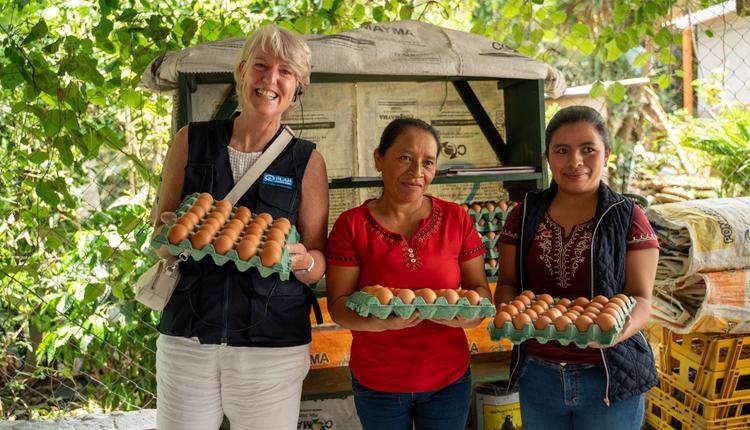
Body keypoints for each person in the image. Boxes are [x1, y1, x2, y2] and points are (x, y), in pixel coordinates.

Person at [151, 25, 328, 430]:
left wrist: (302, 260)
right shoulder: (190, 141)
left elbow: (320, 261)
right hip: (189, 337)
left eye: (286, 72)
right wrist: (175, 234)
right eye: (261, 66)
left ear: (298, 87)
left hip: (271, 346)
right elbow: (159, 241)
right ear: (242, 72)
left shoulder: (306, 161)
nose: (271, 79)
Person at [494, 106, 659, 430]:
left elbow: (641, 299)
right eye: (562, 151)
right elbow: (508, 284)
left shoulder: (628, 216)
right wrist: (510, 315)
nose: (575, 162)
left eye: (588, 149)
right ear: (548, 157)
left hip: (609, 375)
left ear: (607, 153)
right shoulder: (524, 214)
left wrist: (613, 334)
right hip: (538, 375)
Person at [325, 118, 492, 430]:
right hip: (379, 382)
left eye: (427, 162)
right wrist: (377, 322)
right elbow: (338, 305)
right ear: (379, 158)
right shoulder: (352, 225)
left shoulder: (456, 219)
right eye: (404, 158)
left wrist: (466, 317)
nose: (417, 173)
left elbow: (480, 293)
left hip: (448, 379)